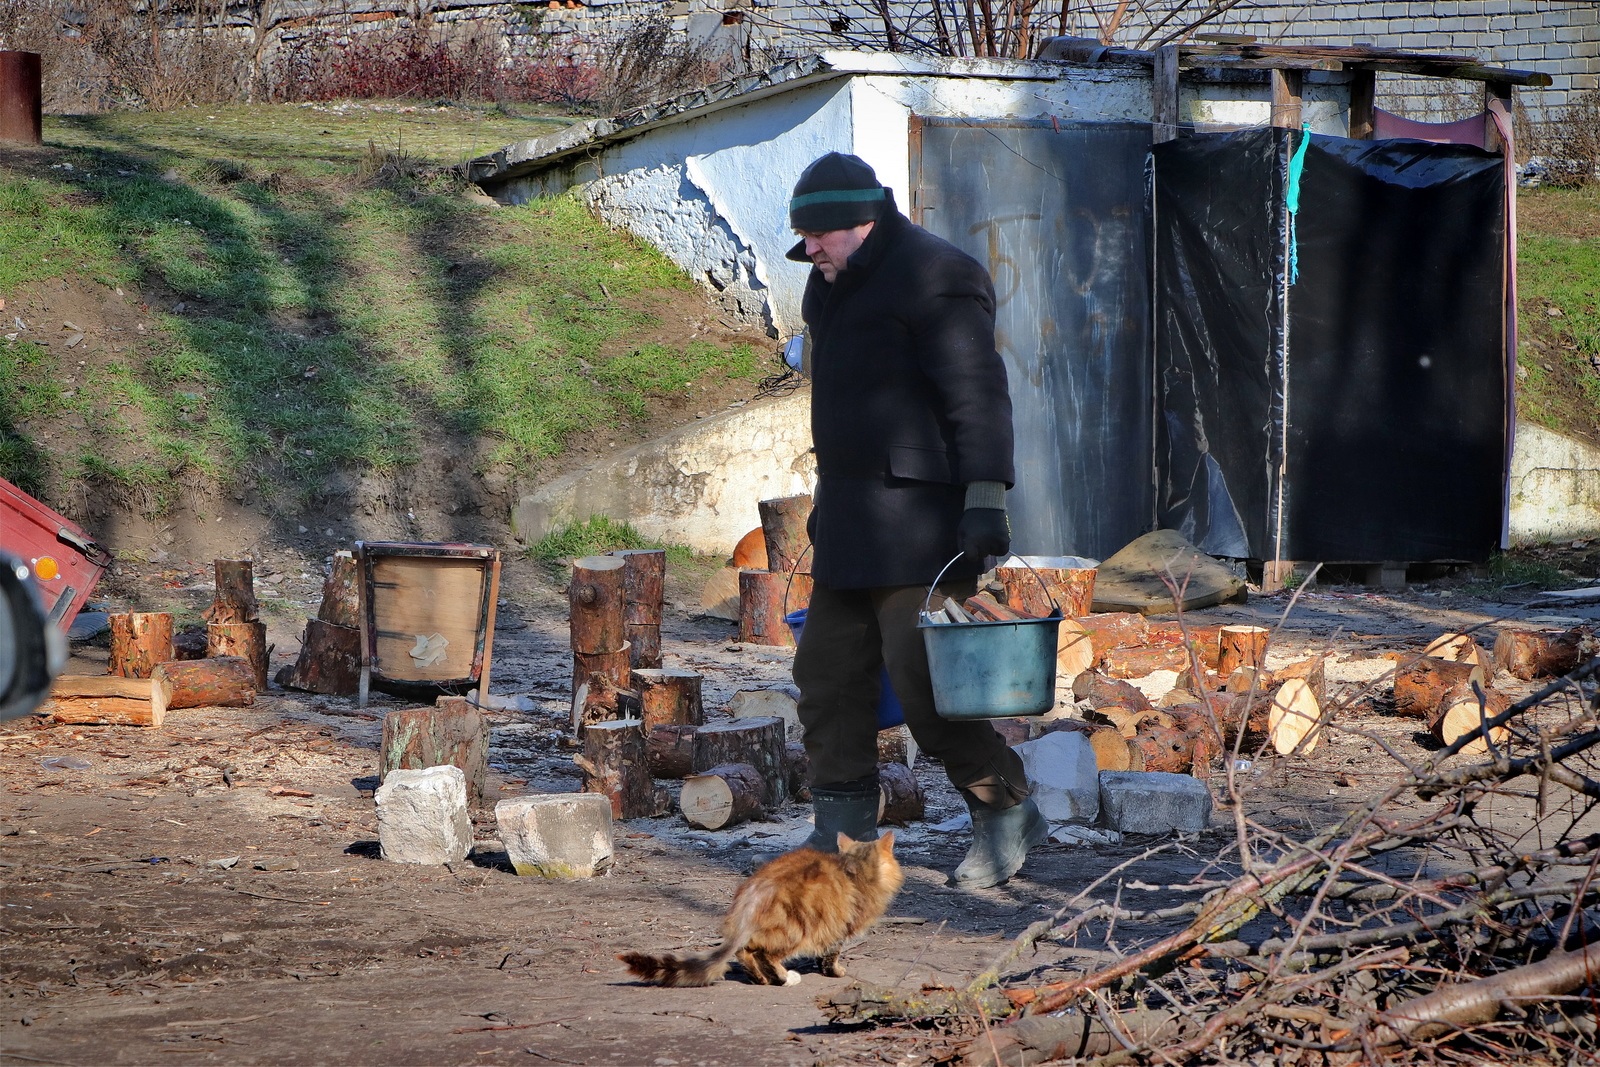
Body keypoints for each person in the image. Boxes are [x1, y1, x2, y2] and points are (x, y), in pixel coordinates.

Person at [786, 151, 1046, 889]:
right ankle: (841, 843)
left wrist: (986, 499)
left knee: (931, 690)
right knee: (829, 681)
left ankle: (1007, 810)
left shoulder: (939, 275)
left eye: (818, 236)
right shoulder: (828, 284)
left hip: (923, 528)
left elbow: (977, 394)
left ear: (861, 223)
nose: (809, 251)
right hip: (848, 523)